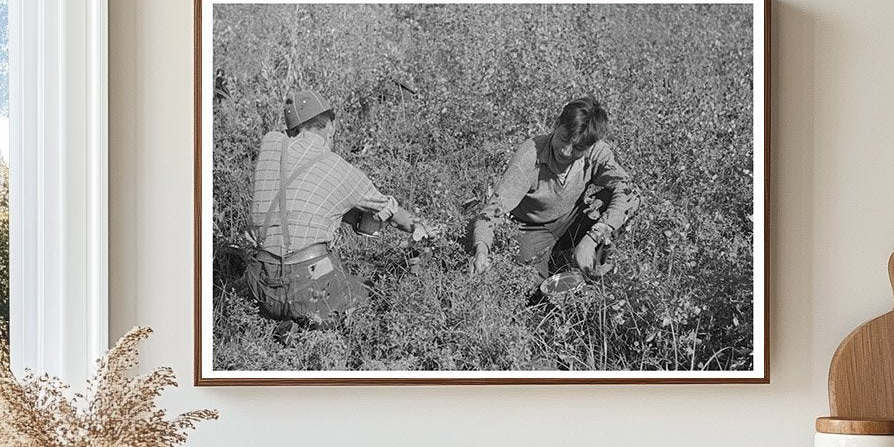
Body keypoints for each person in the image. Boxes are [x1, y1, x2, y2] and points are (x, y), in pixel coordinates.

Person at [247, 85, 432, 330]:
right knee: (371, 297)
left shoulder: (270, 143)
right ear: (331, 125)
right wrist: (422, 229)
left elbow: (299, 201)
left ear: (292, 128)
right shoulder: (341, 170)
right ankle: (309, 328)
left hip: (259, 284)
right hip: (304, 282)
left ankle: (286, 326)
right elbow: (394, 216)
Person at [470, 96, 639, 279]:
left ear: (589, 146)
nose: (566, 151)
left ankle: (592, 271)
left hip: (570, 218)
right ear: (557, 124)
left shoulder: (597, 153)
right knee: (531, 286)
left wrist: (592, 238)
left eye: (577, 148)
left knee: (619, 200)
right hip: (528, 230)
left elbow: (632, 192)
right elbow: (493, 210)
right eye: (564, 139)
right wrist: (481, 250)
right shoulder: (530, 156)